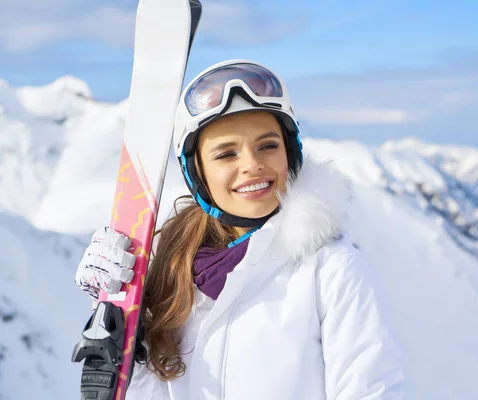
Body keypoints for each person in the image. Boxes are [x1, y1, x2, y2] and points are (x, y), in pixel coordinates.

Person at [75, 59, 404, 399]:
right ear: (197, 173)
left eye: (268, 146)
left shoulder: (331, 271)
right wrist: (115, 316)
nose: (252, 164)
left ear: (291, 153)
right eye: (226, 154)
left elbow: (372, 390)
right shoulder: (170, 272)